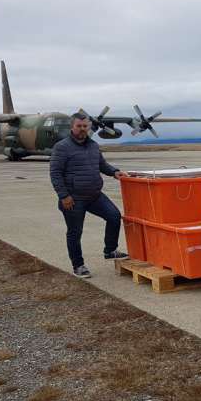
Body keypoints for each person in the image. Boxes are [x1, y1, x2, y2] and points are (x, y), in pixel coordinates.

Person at [49, 112, 128, 278]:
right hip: (73, 199)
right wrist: (64, 196)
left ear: (89, 127)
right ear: (72, 127)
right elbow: (55, 173)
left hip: (94, 196)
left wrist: (115, 172)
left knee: (114, 216)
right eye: (79, 126)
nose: (82, 129)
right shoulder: (62, 147)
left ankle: (110, 250)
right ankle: (78, 265)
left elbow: (101, 164)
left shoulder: (93, 145)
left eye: (85, 126)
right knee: (75, 232)